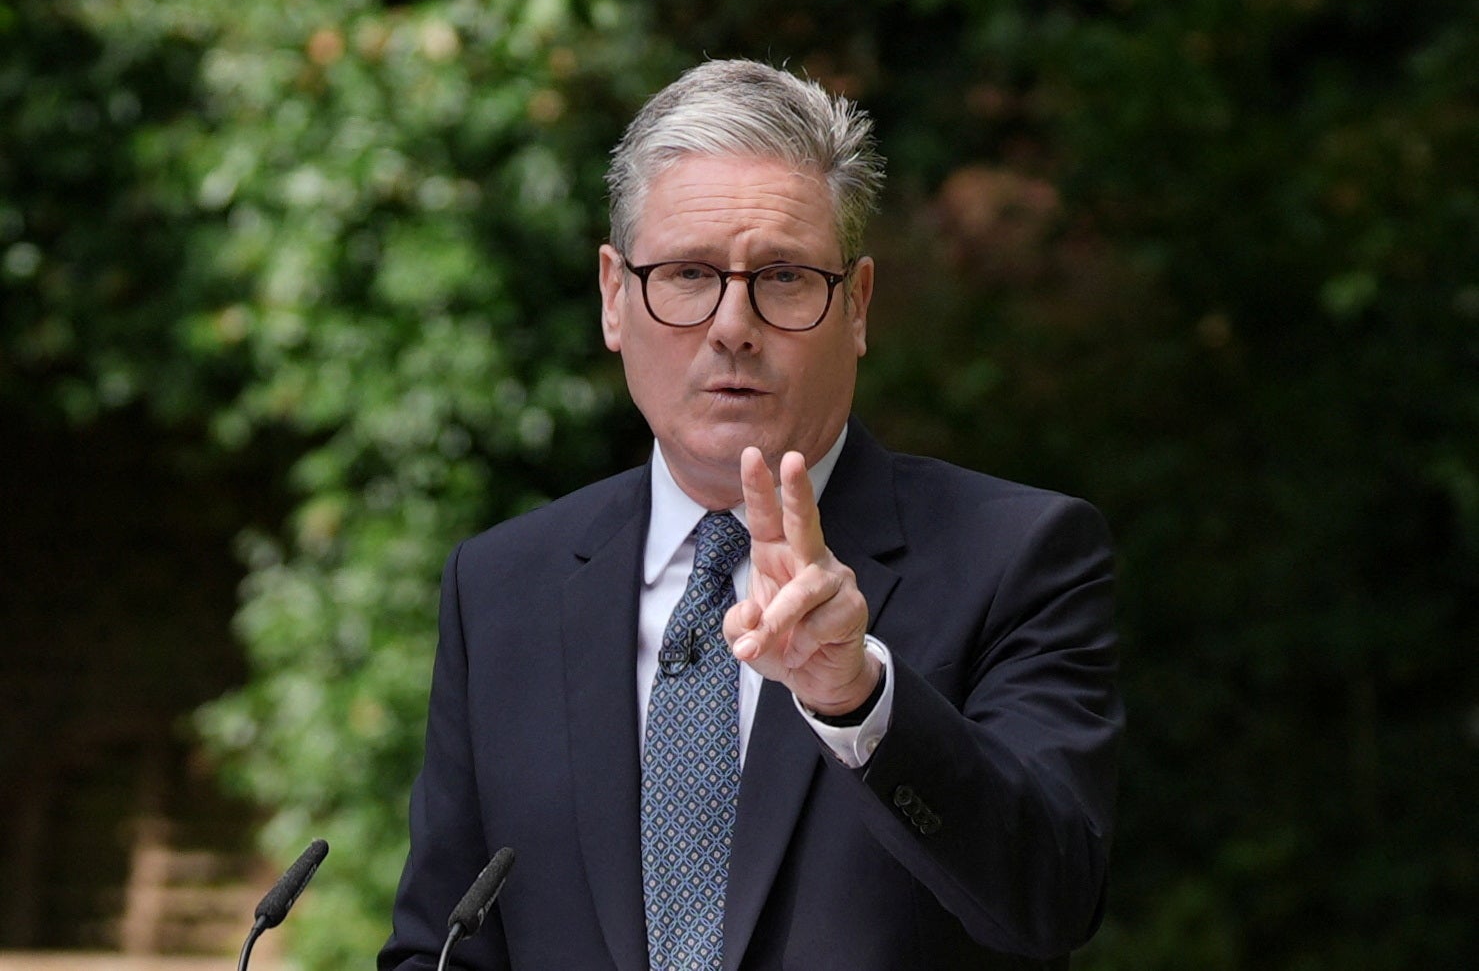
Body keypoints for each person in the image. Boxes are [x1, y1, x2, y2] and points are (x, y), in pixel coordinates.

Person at [378, 59, 1121, 971]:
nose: (733, 323)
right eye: (687, 274)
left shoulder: (1015, 556)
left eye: (781, 277)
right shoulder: (501, 586)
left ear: (855, 306)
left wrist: (857, 699)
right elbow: (440, 945)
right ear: (615, 297)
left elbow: (1053, 897)